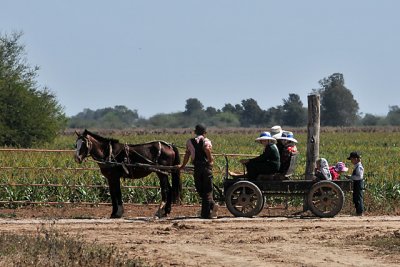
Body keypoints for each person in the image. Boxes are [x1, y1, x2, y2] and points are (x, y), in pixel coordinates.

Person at [179, 124, 218, 219]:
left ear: (195, 132)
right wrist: (210, 160)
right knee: (207, 191)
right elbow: (207, 149)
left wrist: (182, 166)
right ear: (205, 133)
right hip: (206, 168)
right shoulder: (206, 141)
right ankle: (213, 207)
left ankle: (205, 214)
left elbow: (187, 155)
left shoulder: (189, 142)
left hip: (197, 168)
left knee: (201, 189)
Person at [346, 151, 364, 216]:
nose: (351, 161)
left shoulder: (359, 167)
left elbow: (359, 177)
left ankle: (360, 212)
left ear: (355, 159)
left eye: (351, 159)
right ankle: (358, 212)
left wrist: (350, 177)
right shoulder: (357, 166)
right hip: (357, 184)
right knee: (356, 198)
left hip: (358, 184)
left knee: (359, 198)